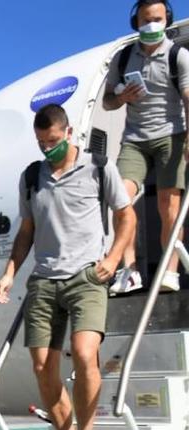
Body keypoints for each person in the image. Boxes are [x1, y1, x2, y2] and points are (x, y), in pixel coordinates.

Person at [0, 104, 136, 430]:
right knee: (42, 367)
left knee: (86, 355)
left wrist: (115, 257)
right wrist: (9, 274)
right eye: (41, 143)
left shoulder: (99, 167)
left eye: (52, 142)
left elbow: (127, 216)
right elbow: (26, 231)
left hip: (86, 277)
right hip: (43, 281)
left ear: (69, 133)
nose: (47, 149)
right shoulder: (31, 177)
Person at [104, 0, 189, 294]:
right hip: (135, 139)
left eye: (156, 18)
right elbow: (107, 101)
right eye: (144, 20)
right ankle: (130, 271)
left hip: (171, 134)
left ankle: (170, 271)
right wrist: (122, 97)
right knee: (120, 199)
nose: (150, 24)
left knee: (169, 205)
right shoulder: (124, 57)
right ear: (135, 23)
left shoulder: (179, 56)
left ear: (167, 20)